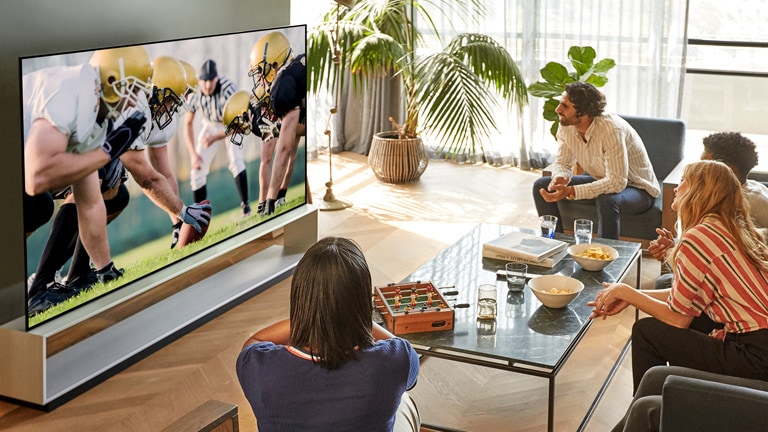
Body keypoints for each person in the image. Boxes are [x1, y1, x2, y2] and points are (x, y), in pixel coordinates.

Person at [587, 160, 768, 430]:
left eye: (684, 181)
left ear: (700, 191)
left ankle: (654, 420)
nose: (675, 188)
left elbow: (679, 318)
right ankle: (643, 419)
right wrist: (633, 294)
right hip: (758, 345)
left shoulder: (699, 236)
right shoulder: (727, 227)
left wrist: (626, 291)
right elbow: (684, 297)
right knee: (649, 333)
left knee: (648, 331)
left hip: (754, 354)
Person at [236, 237, 421, 432]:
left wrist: (311, 317)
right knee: (404, 400)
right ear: (362, 301)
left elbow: (253, 341)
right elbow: (406, 356)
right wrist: (359, 318)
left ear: (300, 296)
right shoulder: (396, 360)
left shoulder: (258, 366)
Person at [23, 46, 152, 311]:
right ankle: (36, 291)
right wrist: (105, 153)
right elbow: (36, 176)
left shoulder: (95, 113)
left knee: (46, 204)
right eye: (134, 89)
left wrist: (106, 269)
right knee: (38, 205)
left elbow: (91, 204)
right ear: (114, 81)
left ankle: (43, 287)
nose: (132, 101)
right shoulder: (69, 91)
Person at [532, 82, 659, 239]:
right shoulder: (566, 125)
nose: (558, 110)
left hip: (639, 190)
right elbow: (563, 163)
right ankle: (554, 243)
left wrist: (571, 191)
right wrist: (561, 177)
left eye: (565, 106)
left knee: (608, 200)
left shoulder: (611, 129)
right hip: (602, 180)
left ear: (583, 112)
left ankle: (605, 257)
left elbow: (617, 182)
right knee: (541, 185)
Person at [650, 131, 768, 290]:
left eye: (704, 163)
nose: (698, 168)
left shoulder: (742, 204)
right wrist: (674, 248)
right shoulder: (747, 189)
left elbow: (719, 268)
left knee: (664, 283)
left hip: (742, 288)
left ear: (725, 169)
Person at [248, 31, 305, 216]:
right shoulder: (299, 64)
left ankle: (274, 199)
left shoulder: (283, 84)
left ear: (274, 64)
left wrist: (270, 201)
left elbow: (285, 149)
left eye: (262, 71)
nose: (261, 79)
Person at [184, 59, 251, 217]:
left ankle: (246, 207)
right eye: (204, 81)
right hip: (210, 124)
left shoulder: (228, 88)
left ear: (217, 78)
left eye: (211, 80)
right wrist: (193, 154)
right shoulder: (196, 93)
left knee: (235, 160)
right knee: (196, 170)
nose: (207, 85)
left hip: (231, 122)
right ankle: (200, 217)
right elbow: (187, 124)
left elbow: (237, 123)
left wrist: (215, 137)